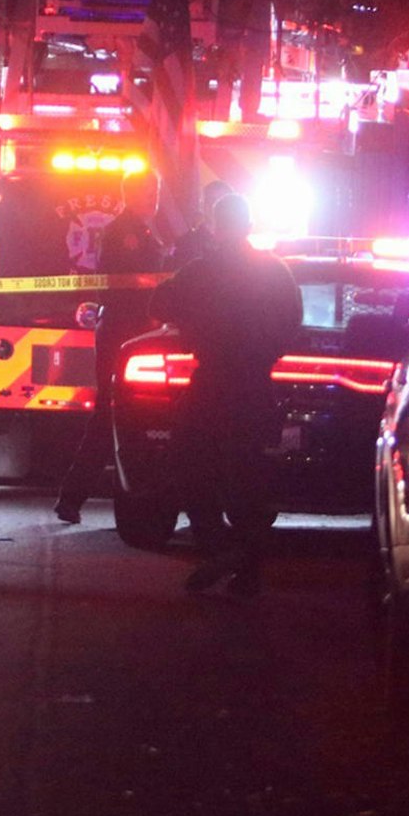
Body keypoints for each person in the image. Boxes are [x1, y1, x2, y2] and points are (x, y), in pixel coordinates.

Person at [149, 192, 302, 596]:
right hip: (255, 385)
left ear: (215, 228)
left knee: (187, 462)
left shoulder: (202, 270)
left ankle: (217, 546)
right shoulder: (275, 272)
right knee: (248, 477)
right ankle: (247, 569)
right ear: (249, 226)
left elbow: (159, 303)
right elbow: (292, 320)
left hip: (212, 384)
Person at [52, 168, 169, 523]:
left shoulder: (145, 229)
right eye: (146, 191)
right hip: (122, 332)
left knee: (117, 415)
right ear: (130, 193)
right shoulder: (126, 232)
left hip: (130, 332)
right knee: (110, 413)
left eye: (156, 190)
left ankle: (75, 498)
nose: (153, 197)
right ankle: (72, 498)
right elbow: (135, 282)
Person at [169, 180, 236, 270]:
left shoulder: (239, 242)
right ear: (202, 205)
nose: (215, 206)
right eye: (211, 200)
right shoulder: (187, 243)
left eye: (222, 202)